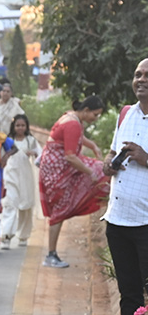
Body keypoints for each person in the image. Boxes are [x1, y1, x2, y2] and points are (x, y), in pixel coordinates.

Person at [104, 59, 148, 315]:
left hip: (146, 223)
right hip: (118, 221)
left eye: (147, 75)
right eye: (137, 74)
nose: (141, 80)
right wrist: (110, 163)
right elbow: (111, 153)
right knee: (129, 294)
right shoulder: (126, 113)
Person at [39, 96, 109, 268]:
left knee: (101, 171)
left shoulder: (71, 118)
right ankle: (51, 254)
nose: (96, 118)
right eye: (95, 114)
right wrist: (89, 172)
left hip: (56, 168)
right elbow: (70, 156)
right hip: (59, 171)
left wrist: (92, 145)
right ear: (85, 110)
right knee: (60, 212)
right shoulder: (73, 123)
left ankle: (52, 254)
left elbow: (76, 138)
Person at [0, 114, 41, 249]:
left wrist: (33, 153)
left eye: (23, 125)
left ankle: (23, 235)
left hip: (26, 175)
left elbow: (40, 155)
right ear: (13, 126)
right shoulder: (8, 140)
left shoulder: (31, 140)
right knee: (10, 203)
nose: (20, 128)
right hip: (10, 174)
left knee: (26, 206)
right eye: (18, 125)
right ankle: (6, 235)